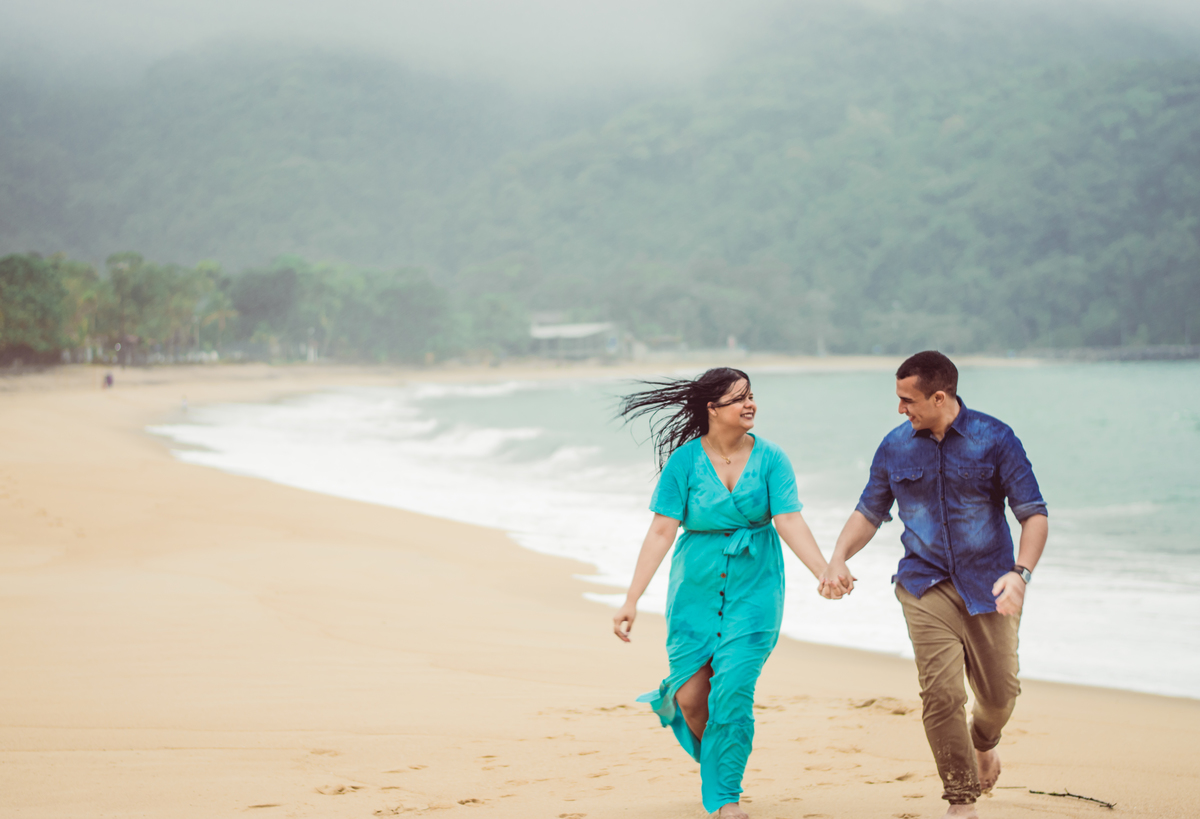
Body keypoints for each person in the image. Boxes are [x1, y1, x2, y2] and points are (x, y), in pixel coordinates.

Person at [820, 351, 1048, 819]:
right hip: (923, 585)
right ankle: (961, 800)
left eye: (908, 400)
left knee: (1000, 696)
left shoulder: (995, 438)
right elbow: (869, 511)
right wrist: (838, 557)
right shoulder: (894, 447)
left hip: (991, 586)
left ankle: (984, 741)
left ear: (939, 396)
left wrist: (1020, 573)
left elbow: (1034, 515)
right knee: (941, 693)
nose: (901, 409)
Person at [613, 367, 830, 819]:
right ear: (712, 409)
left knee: (731, 687)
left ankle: (725, 795)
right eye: (738, 399)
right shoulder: (685, 462)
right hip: (694, 588)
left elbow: (789, 520)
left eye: (751, 396)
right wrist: (631, 599)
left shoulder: (772, 459)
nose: (750, 404)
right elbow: (660, 531)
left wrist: (823, 571)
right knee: (692, 699)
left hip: (756, 587)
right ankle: (717, 761)